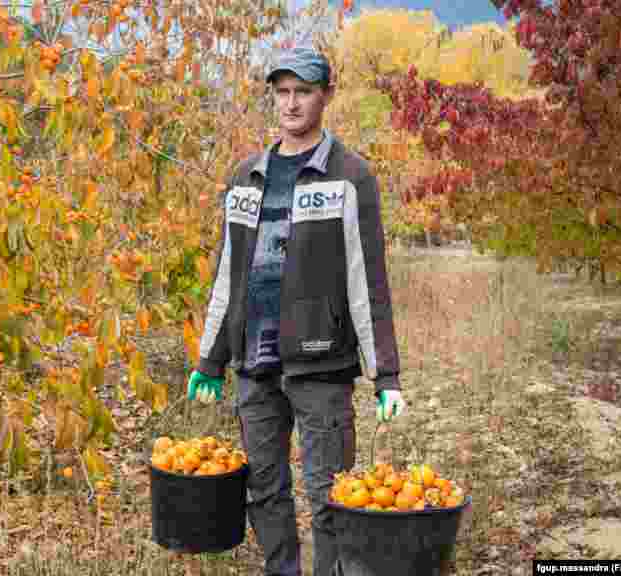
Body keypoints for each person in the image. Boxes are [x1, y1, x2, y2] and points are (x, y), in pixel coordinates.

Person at [186, 47, 406, 576]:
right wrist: (210, 360)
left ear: (325, 96)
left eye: (303, 92)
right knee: (264, 489)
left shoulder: (350, 176)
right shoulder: (246, 176)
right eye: (282, 92)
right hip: (254, 367)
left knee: (330, 494)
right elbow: (226, 275)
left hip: (321, 366)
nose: (291, 103)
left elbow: (366, 278)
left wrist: (386, 376)